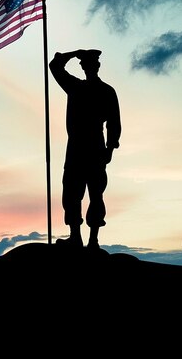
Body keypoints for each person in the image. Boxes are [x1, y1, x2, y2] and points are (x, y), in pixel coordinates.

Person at [49, 48, 121, 250]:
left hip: (90, 148)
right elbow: (54, 67)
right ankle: (77, 238)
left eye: (86, 64)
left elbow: (114, 123)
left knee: (94, 194)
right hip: (79, 148)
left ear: (94, 66)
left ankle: (92, 240)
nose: (85, 67)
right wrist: (75, 53)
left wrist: (110, 148)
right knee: (73, 193)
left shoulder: (99, 90)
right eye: (84, 64)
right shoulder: (77, 87)